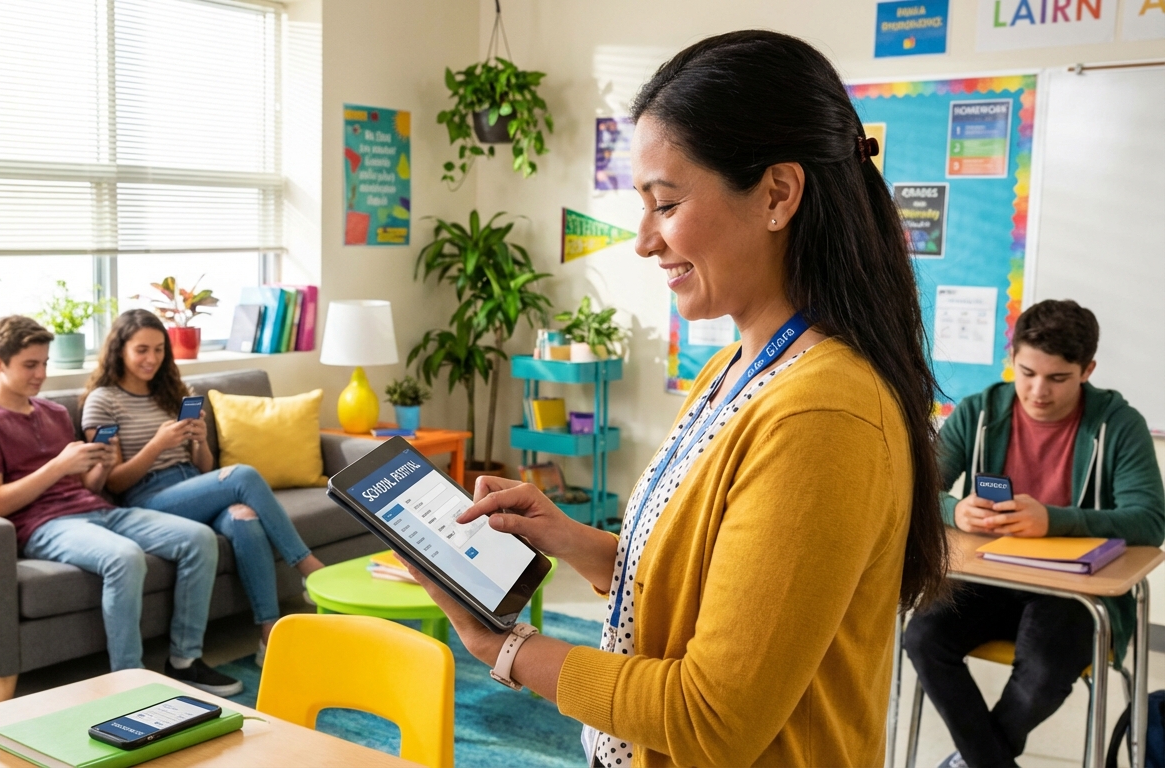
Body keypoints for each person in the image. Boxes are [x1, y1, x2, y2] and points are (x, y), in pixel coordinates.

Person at [407, 30, 948, 767]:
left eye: (665, 203)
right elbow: (708, 584)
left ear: (778, 194)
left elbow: (713, 716)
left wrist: (505, 650)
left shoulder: (823, 414)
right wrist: (572, 539)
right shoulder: (735, 365)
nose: (643, 240)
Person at [904, 299, 1165, 768]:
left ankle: (976, 760)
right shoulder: (979, 412)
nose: (1037, 390)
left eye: (1057, 378)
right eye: (1026, 372)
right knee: (922, 636)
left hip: (1073, 591)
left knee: (1044, 666)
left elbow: (1149, 520)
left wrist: (1055, 519)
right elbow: (917, 491)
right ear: (1012, 359)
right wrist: (955, 510)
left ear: (1088, 370)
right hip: (992, 576)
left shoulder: (1119, 424)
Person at [0, 315, 243, 695]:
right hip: (43, 525)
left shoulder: (54, 414)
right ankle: (130, 681)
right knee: (124, 557)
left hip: (97, 509)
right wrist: (58, 465)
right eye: (29, 365)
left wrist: (99, 467)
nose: (40, 374)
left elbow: (83, 485)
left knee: (199, 539)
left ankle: (185, 660)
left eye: (44, 363)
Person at [81, 309, 325, 661]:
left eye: (159, 350)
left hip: (193, 485)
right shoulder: (103, 401)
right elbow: (116, 483)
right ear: (120, 350)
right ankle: (306, 567)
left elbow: (204, 467)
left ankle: (268, 635)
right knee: (242, 475)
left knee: (245, 518)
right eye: (142, 350)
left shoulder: (173, 392)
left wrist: (198, 441)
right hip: (148, 498)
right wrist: (157, 445)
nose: (152, 359)